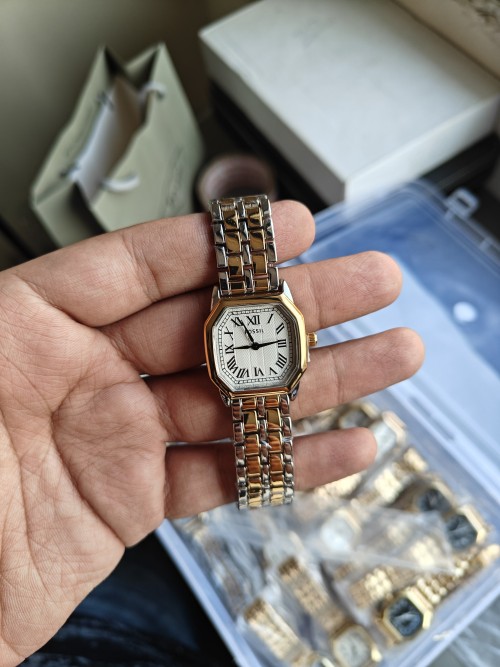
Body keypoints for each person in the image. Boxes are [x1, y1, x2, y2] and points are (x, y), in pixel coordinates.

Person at [0, 201, 424, 665]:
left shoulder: (272, 322)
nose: (259, 342)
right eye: (251, 339)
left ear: (302, 341)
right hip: (245, 394)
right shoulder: (241, 329)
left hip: (263, 391)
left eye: (273, 339)